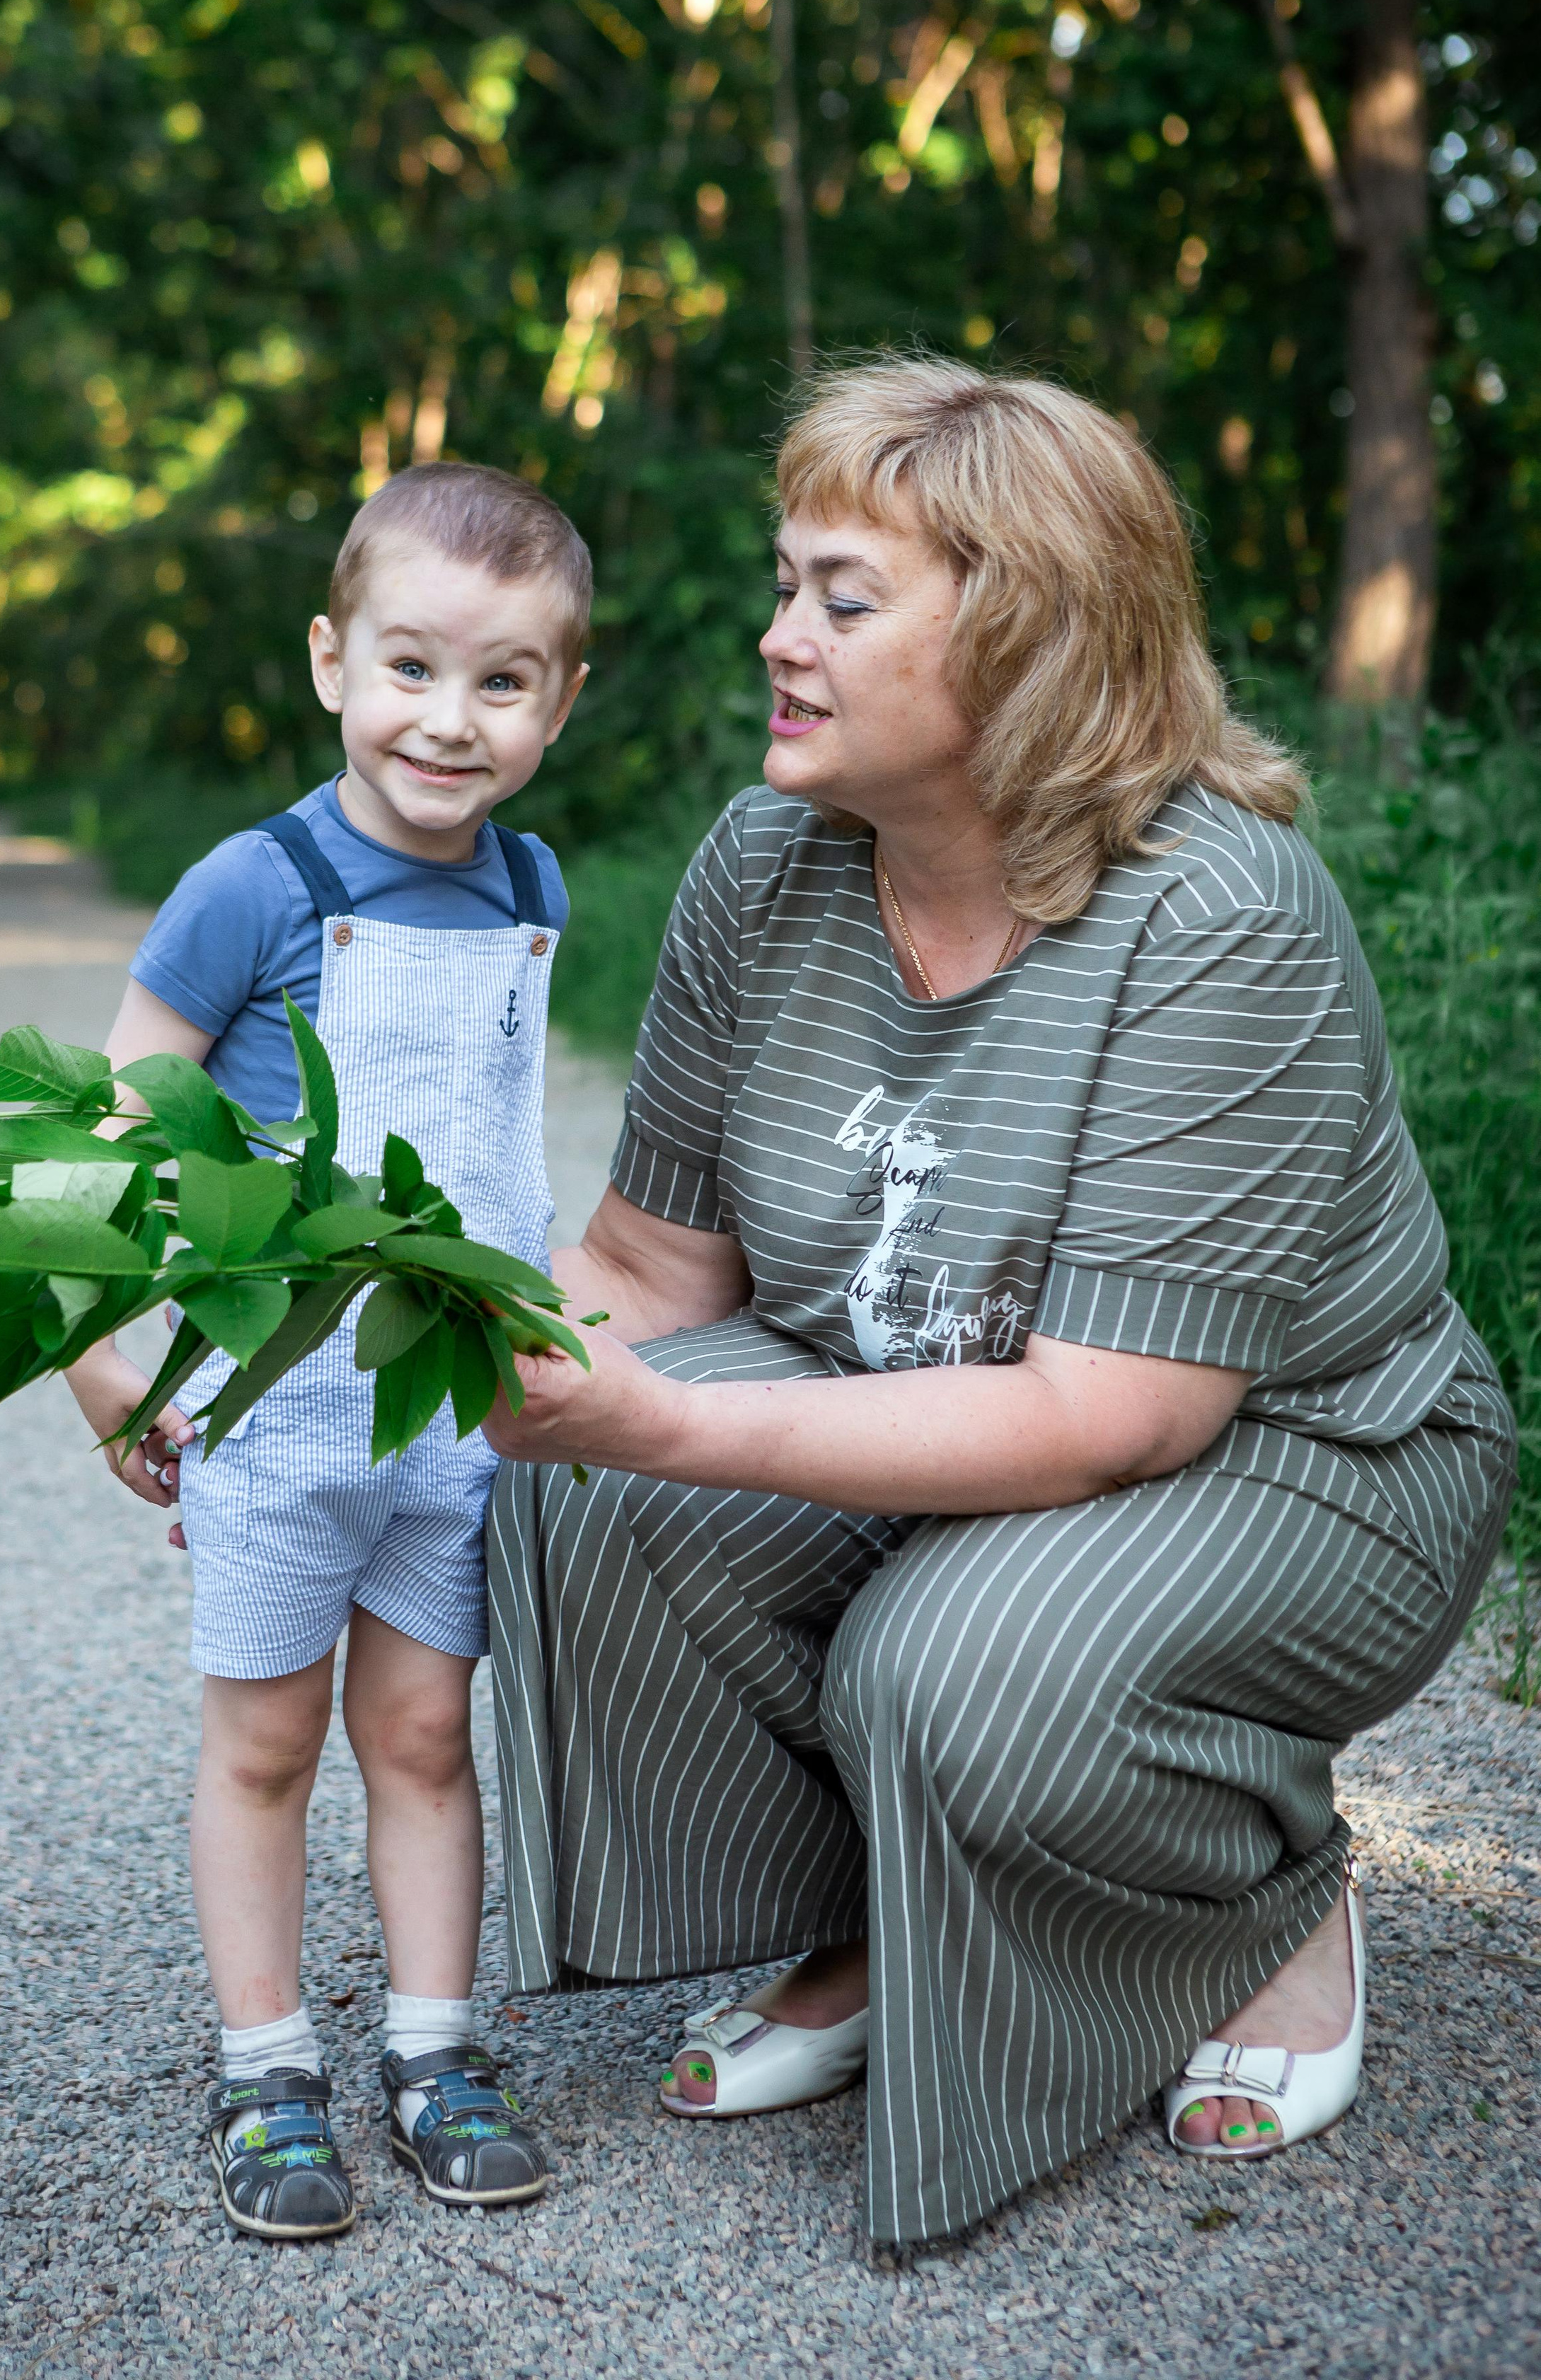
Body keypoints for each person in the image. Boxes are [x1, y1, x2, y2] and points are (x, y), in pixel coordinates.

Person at [478, 357, 1516, 2249]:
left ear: (1029, 631)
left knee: (947, 1660)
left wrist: (679, 1419)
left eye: (842, 599)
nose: (780, 637)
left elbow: (1114, 1415)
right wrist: (376, 1327)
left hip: (1299, 1460)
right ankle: (894, 1910)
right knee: (581, 1482)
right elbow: (646, 1276)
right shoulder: (763, 861)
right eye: (786, 584)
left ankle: (1261, 1893)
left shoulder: (1221, 918)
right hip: (952, 1392)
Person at [66, 462, 589, 2239]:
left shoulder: (532, 882)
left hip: (455, 1402)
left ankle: (435, 2050)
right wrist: (104, 1362)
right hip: (283, 1406)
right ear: (328, 661)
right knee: (268, 1740)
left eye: (502, 680)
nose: (450, 721)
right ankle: (267, 2068)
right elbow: (107, 1145)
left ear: (559, 699)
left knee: (430, 1733)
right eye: (411, 668)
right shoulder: (253, 884)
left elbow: (500, 1130)